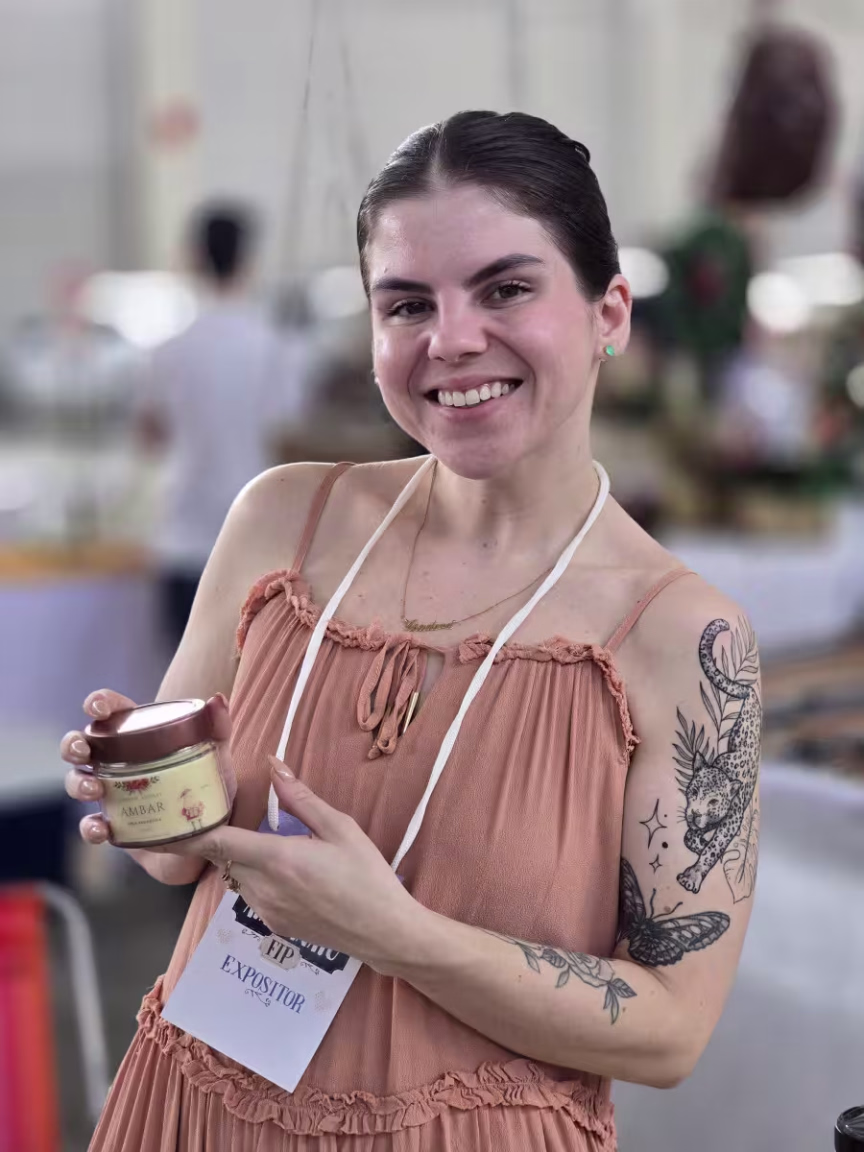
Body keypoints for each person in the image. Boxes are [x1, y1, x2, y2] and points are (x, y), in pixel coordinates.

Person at [62, 111, 761, 1151]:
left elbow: (670, 1031)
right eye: (406, 304)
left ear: (609, 312)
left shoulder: (683, 640)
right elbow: (178, 864)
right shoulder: (281, 524)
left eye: (505, 289)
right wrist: (149, 801)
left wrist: (395, 935)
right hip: (196, 1109)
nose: (452, 339)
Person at [137, 201, 310, 649]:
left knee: (182, 673)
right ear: (249, 260)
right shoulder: (276, 348)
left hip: (183, 532)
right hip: (254, 536)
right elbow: (290, 433)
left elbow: (150, 436)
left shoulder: (167, 351)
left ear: (194, 257)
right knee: (251, 676)